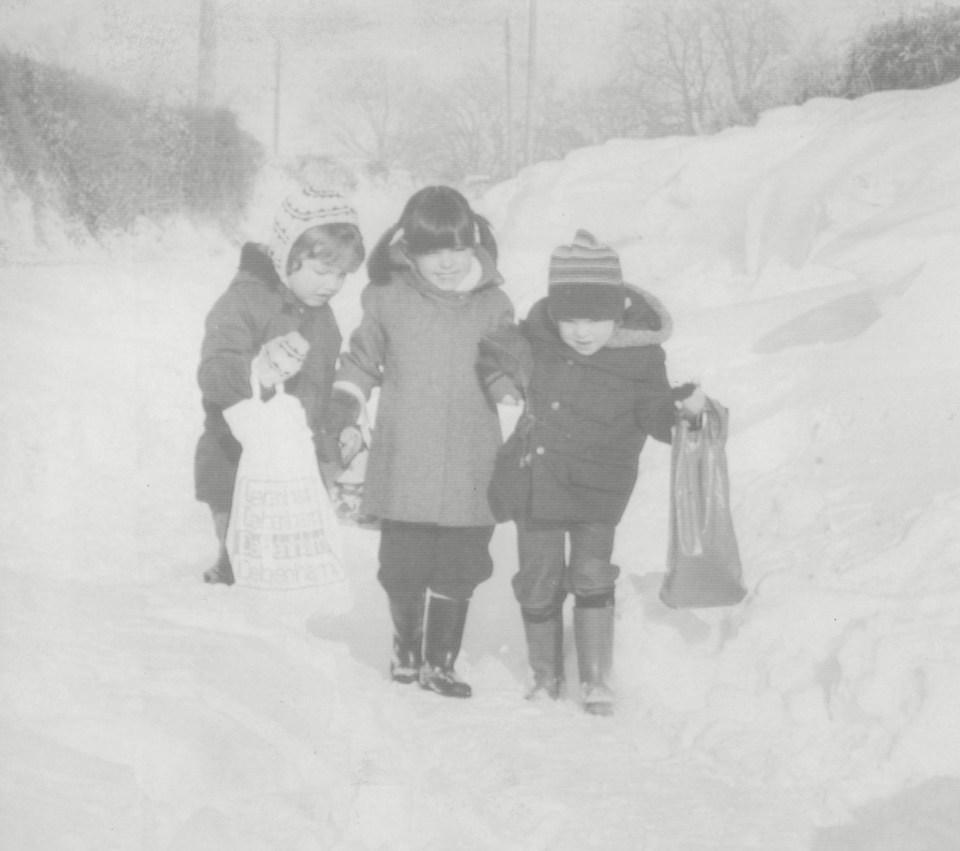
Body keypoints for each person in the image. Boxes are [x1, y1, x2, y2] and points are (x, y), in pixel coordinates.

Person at [478, 229, 704, 715]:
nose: (582, 332)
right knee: (538, 574)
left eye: (595, 319)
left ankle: (596, 677)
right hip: (537, 480)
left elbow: (655, 413)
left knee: (592, 572)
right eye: (570, 319)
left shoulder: (641, 358)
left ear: (618, 310)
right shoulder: (536, 337)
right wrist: (500, 382)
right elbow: (494, 355)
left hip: (600, 486)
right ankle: (545, 673)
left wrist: (684, 410)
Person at [332, 186, 515, 698]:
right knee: (403, 564)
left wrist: (517, 385)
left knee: (461, 563)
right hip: (406, 455)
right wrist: (346, 403)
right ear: (410, 250)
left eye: (458, 248)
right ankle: (406, 652)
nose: (448, 263)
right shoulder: (389, 300)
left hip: (469, 458)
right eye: (434, 250)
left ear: (474, 246)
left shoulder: (493, 305)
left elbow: (500, 368)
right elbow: (362, 360)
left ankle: (441, 663)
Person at [194, 187, 366, 585]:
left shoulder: (320, 313)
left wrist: (342, 423)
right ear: (288, 255)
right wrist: (258, 369)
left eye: (342, 274)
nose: (333, 285)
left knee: (292, 560)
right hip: (237, 456)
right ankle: (226, 597)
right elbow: (213, 372)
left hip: (296, 459)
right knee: (244, 554)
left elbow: (322, 382)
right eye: (322, 272)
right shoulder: (242, 302)